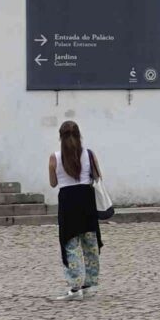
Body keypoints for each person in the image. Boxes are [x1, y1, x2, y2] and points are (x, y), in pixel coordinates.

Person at [49, 119, 103, 298]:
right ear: (79, 135)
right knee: (90, 243)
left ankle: (74, 286)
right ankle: (90, 283)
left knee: (70, 244)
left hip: (68, 201)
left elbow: (53, 183)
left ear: (60, 137)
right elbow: (98, 176)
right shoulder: (89, 154)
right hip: (86, 200)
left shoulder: (55, 157)